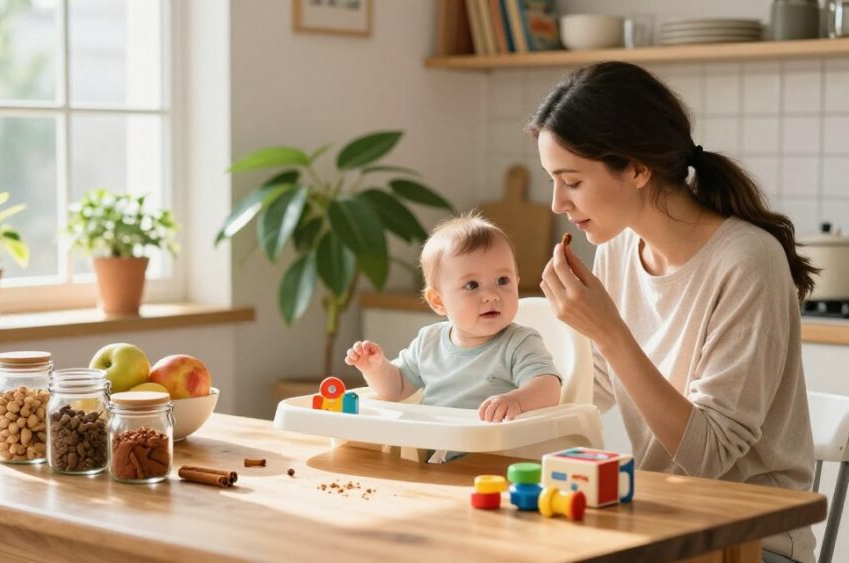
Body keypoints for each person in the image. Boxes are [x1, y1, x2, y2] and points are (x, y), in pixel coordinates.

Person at [530, 61, 818, 563]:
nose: (557, 203)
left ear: (637, 169)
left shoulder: (748, 260)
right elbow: (593, 386)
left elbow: (709, 455)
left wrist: (609, 331)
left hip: (751, 541)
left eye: (571, 181)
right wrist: (499, 390)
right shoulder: (619, 248)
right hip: (661, 525)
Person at [345, 213, 562, 424]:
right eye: (472, 285)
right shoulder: (429, 342)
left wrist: (516, 401)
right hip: (432, 442)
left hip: (491, 444)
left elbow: (549, 388)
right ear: (438, 301)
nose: (491, 295)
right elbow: (396, 389)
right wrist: (375, 368)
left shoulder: (519, 343)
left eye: (502, 280)